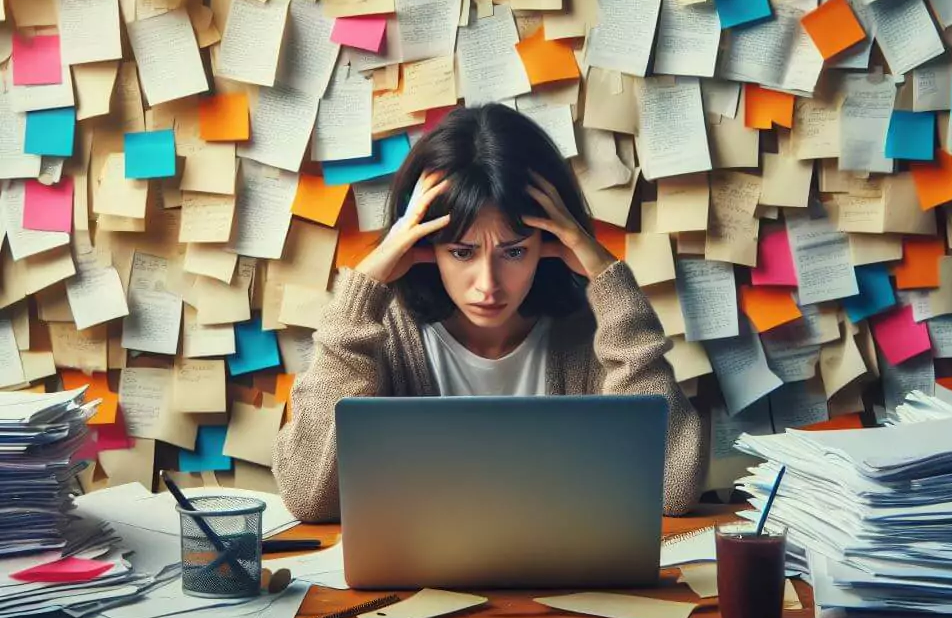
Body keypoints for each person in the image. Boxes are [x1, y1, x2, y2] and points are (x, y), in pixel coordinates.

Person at [273, 103, 708, 522]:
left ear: (553, 244)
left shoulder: (596, 333)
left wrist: (608, 279)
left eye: (514, 251)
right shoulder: (380, 333)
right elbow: (309, 495)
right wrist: (360, 295)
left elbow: (672, 489)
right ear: (423, 248)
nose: (489, 285)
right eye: (462, 252)